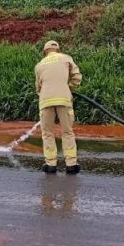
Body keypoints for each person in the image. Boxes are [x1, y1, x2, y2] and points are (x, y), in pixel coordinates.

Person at [35, 40, 83, 174]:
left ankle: (50, 165)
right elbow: (77, 76)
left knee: (47, 133)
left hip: (45, 101)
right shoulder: (66, 58)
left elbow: (38, 87)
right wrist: (69, 87)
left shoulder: (39, 65)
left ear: (45, 51)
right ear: (58, 50)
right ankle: (71, 164)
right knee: (67, 132)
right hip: (64, 99)